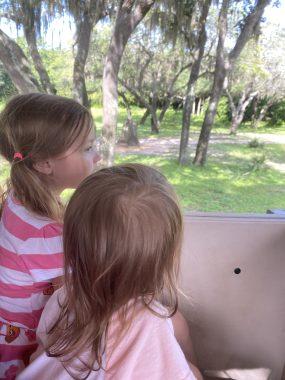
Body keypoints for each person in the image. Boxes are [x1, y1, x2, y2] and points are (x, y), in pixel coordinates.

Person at [18, 163, 202, 379]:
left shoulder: (62, 298)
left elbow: (42, 354)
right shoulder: (150, 323)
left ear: (71, 248)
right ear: (169, 258)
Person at [0, 93, 100, 379]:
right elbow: (80, 287)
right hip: (28, 345)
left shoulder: (22, 195)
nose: (97, 155)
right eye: (88, 148)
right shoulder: (45, 234)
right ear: (44, 164)